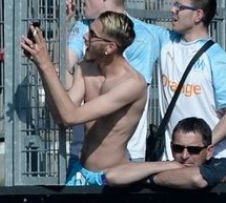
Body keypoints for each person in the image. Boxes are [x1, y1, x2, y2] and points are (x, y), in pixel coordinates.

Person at [22, 11, 146, 185]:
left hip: (111, 179)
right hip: (80, 170)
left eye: (93, 34)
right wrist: (41, 65)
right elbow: (62, 117)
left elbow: (71, 116)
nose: (85, 36)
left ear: (109, 47)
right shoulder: (86, 68)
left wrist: (46, 63)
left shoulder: (132, 84)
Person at [64, 0, 166, 163]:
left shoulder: (141, 37)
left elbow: (120, 92)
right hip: (81, 153)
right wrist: (62, 26)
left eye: (93, 35)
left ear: (111, 47)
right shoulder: (82, 27)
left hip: (127, 155)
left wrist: (73, 110)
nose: (82, 1)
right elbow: (65, 69)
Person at [157, 0, 226, 161]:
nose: (172, 10)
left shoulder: (218, 58)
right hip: (171, 159)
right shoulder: (165, 41)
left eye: (179, 7)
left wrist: (201, 148)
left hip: (210, 159)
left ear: (198, 15)